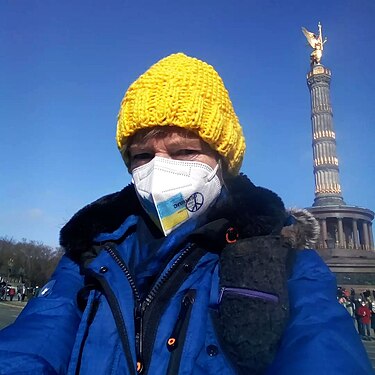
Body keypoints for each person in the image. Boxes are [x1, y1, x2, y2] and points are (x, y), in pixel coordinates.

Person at [0, 53, 373, 374]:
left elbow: (321, 344)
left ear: (221, 161)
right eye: (143, 155)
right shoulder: (92, 250)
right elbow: (38, 336)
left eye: (184, 153)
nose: (160, 169)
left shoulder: (283, 254)